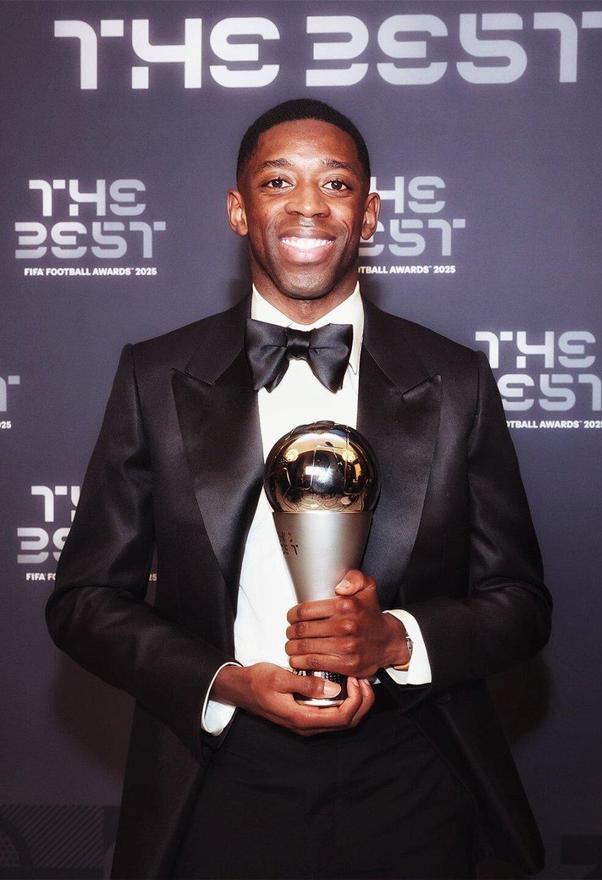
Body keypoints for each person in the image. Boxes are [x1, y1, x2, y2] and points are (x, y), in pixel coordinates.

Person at [45, 99, 552, 880]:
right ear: (238, 209)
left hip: (412, 774)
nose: (307, 205)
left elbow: (520, 603)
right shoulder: (155, 375)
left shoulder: (455, 382)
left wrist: (394, 641)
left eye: (337, 184)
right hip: (219, 775)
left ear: (369, 214)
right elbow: (84, 602)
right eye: (278, 182)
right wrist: (227, 684)